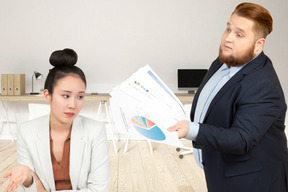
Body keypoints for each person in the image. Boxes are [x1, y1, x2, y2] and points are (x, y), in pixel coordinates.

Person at [168, 2, 287, 192]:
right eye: (228, 29)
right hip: (219, 172)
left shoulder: (263, 85)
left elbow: (241, 138)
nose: (228, 38)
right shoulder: (223, 61)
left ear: (258, 45)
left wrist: (192, 129)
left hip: (249, 183)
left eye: (239, 34)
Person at [3, 48, 110, 192]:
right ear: (48, 95)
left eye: (80, 96)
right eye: (66, 96)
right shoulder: (26, 131)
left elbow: (98, 189)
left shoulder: (96, 130)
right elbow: (26, 188)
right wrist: (28, 178)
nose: (73, 105)